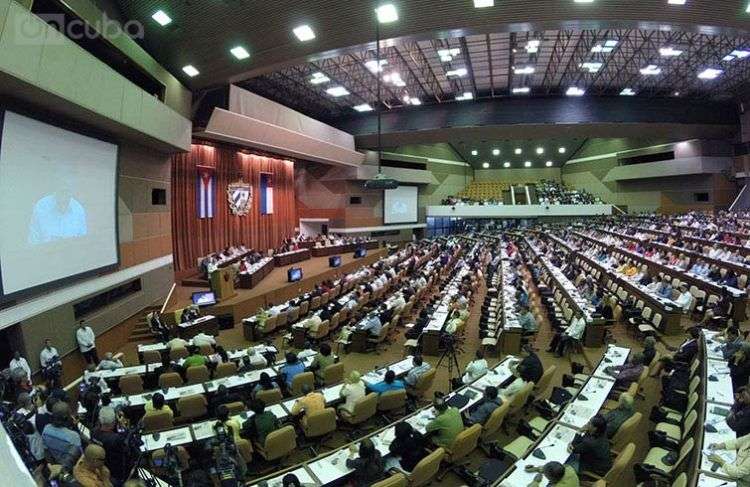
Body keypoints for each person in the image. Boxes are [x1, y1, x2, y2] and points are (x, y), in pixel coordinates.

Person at [91, 407, 128, 485]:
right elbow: (126, 446)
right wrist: (123, 426)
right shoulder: (116, 439)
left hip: (99, 467)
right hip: (114, 474)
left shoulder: (93, 432)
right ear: (114, 421)